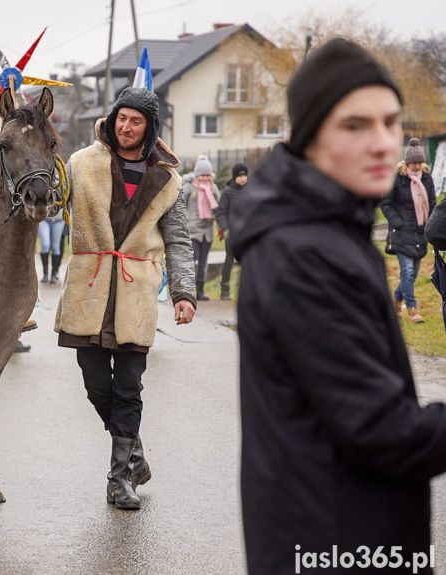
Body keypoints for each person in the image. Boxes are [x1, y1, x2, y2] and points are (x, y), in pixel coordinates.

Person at [229, 38, 446, 575]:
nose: (383, 144)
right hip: (331, 543)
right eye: (355, 125)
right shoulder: (303, 252)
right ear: (310, 139)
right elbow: (380, 429)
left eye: (391, 123)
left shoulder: (328, 228)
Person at [55, 87, 197, 510]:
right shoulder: (81, 164)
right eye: (122, 118)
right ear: (113, 118)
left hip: (136, 290)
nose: (126, 127)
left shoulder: (169, 180)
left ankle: (119, 480)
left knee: (129, 386)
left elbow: (179, 240)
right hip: (89, 287)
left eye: (136, 121)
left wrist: (183, 293)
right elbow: (46, 205)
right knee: (97, 385)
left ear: (149, 127)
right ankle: (134, 453)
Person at [381, 138, 436, 323]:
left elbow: (433, 204)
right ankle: (413, 310)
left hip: (420, 233)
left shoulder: (427, 178)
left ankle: (396, 300)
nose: (418, 166)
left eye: (420, 163)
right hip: (402, 232)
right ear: (407, 163)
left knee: (412, 275)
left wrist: (431, 227)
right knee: (407, 272)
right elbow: (386, 204)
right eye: (414, 163)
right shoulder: (397, 179)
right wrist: (398, 222)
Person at [182, 155, 220, 301]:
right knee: (193, 258)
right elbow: (179, 205)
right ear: (197, 175)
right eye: (202, 175)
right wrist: (187, 217)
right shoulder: (188, 187)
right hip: (192, 230)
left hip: (207, 231)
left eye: (207, 175)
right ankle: (188, 289)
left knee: (204, 261)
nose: (204, 177)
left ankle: (201, 290)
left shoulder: (213, 188)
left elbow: (218, 208)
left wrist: (222, 223)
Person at [214, 162, 247, 300]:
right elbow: (220, 212)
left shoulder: (250, 190)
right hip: (231, 233)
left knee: (246, 262)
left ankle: (244, 291)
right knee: (229, 259)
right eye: (240, 176)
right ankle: (224, 290)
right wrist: (225, 229)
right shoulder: (227, 192)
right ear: (234, 177)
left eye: (245, 175)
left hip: (245, 232)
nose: (243, 178)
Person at [38, 210, 65, 283]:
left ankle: (53, 274)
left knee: (55, 247)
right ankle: (45, 274)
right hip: (44, 219)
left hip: (58, 219)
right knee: (45, 244)